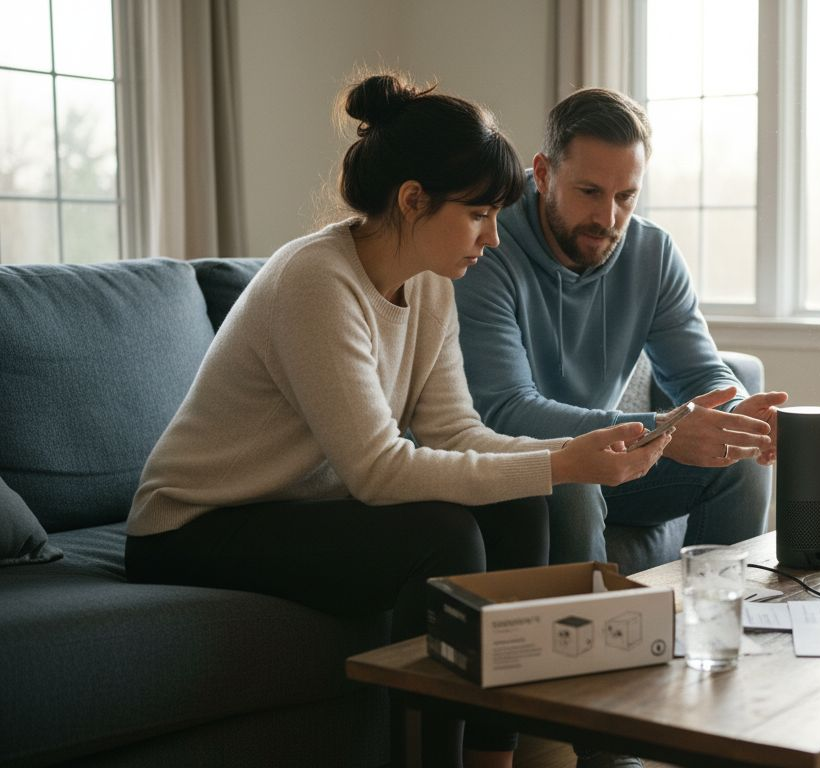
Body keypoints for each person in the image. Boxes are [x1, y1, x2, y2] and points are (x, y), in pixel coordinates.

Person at [123, 74, 669, 768]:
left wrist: (573, 450)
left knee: (522, 503)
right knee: (438, 538)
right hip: (192, 526)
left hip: (294, 511)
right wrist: (565, 463)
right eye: (478, 215)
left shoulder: (432, 286)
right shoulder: (317, 282)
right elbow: (378, 472)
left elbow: (457, 434)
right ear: (413, 200)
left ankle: (491, 759)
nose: (494, 238)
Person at [453, 87, 789, 569]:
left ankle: (717, 629)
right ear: (545, 174)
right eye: (589, 192)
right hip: (520, 464)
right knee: (576, 479)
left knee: (737, 460)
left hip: (613, 459)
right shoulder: (485, 245)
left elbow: (699, 375)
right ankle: (595, 640)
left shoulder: (652, 252)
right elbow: (504, 411)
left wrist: (736, 412)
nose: (608, 219)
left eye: (626, 197)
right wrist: (658, 429)